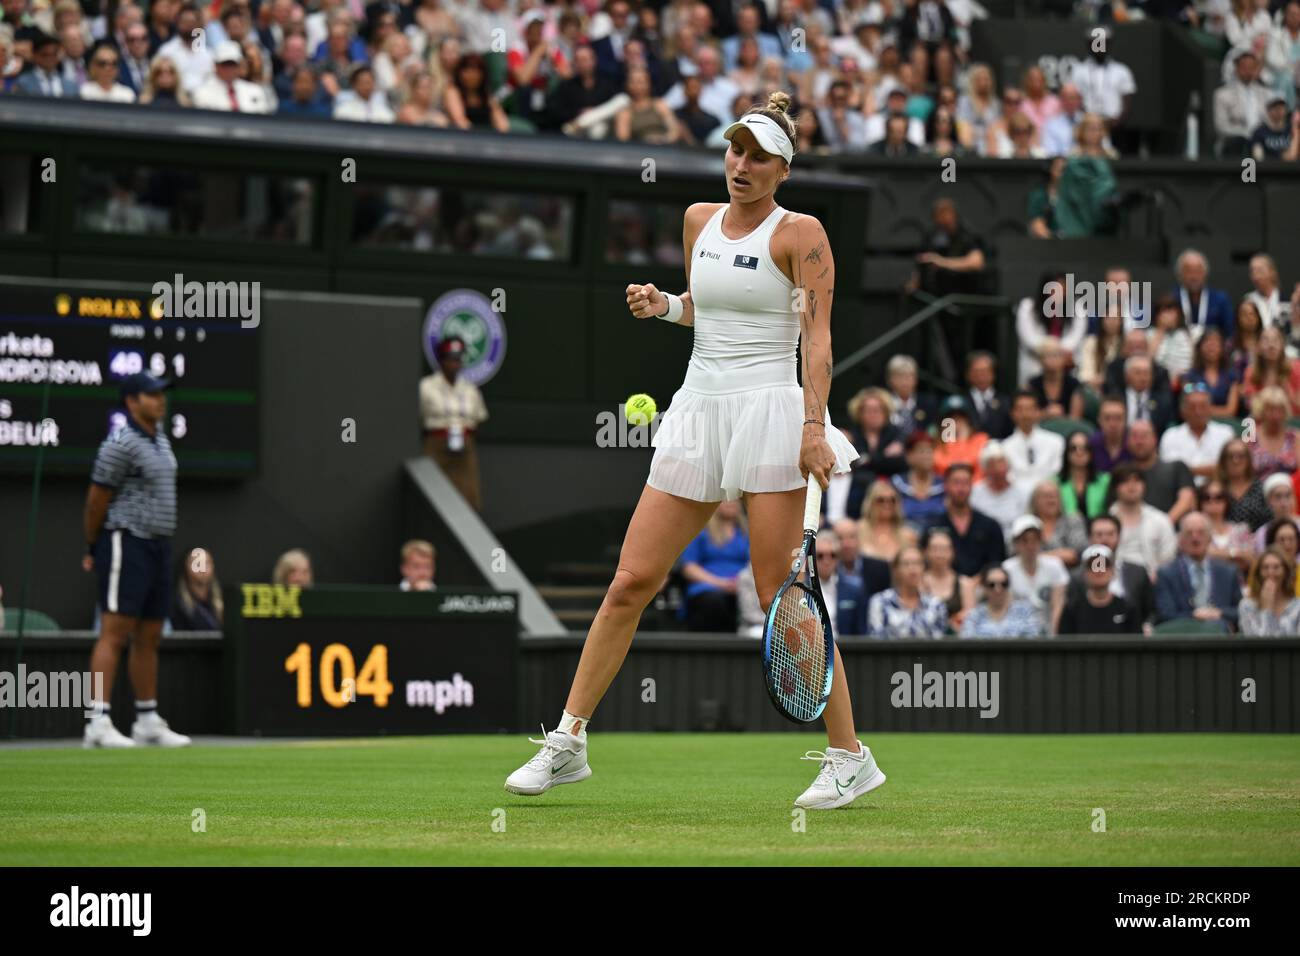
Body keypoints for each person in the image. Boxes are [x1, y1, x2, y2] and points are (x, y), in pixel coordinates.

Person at [505, 94, 880, 810]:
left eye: (758, 156)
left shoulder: (802, 234)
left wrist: (812, 426)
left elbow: (817, 338)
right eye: (735, 150)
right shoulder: (697, 220)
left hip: (771, 410)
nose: (741, 164)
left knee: (780, 598)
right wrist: (667, 306)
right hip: (697, 408)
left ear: (783, 169)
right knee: (629, 580)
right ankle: (569, 741)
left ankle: (849, 755)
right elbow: (710, 307)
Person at [81, 372, 191, 749]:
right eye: (152, 394)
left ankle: (146, 720)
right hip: (126, 541)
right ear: (131, 401)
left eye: (162, 394)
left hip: (159, 544)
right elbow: (97, 499)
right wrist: (94, 545)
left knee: (150, 634)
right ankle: (97, 721)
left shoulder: (160, 439)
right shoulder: (120, 443)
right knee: (115, 630)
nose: (161, 400)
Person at [419, 336, 489, 511]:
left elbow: (479, 418)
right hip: (436, 444)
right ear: (441, 360)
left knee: (468, 500)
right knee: (433, 498)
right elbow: (418, 417)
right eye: (450, 359)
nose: (455, 364)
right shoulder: (426, 386)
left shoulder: (470, 389)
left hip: (464, 446)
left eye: (458, 359)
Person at [1065, 514, 1156, 631]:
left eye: (1110, 534)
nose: (1105, 539)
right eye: (1099, 534)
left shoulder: (1137, 572)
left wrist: (1147, 626)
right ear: (1089, 538)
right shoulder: (1076, 577)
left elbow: (1150, 611)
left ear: (1119, 537)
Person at [1154, 512, 1243, 630]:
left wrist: (1219, 613)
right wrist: (1195, 616)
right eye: (1189, 533)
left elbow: (1241, 611)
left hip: (1221, 641)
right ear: (1180, 540)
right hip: (1182, 639)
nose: (1195, 538)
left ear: (1210, 538)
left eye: (1201, 532)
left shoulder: (1228, 572)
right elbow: (1165, 614)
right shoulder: (1167, 574)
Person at [678, 500, 749, 631]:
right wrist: (720, 583)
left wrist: (742, 584)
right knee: (713, 602)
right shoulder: (700, 531)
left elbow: (754, 566)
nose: (730, 503)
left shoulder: (748, 533)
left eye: (733, 499)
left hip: (742, 588)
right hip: (707, 587)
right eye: (725, 499)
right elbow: (689, 568)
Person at [844, 387, 906, 519]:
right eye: (869, 410)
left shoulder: (896, 433)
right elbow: (853, 466)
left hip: (893, 489)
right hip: (859, 492)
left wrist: (868, 460)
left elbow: (900, 464)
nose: (874, 414)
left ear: (886, 412)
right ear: (859, 413)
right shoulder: (852, 435)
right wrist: (884, 458)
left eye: (878, 410)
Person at [1109, 462, 1179, 579]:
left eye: (1137, 481)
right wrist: (1102, 579)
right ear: (1115, 487)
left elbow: (1169, 557)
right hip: (1113, 584)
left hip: (1153, 583)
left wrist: (1157, 577)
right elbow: (1097, 554)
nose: (1132, 486)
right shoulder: (1102, 522)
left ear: (1144, 486)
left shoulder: (1161, 520)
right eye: (1125, 481)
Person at [1002, 515, 1068, 634]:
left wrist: (1053, 638)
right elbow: (1007, 608)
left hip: (1048, 632)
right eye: (1025, 540)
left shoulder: (1055, 566)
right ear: (1016, 543)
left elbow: (1058, 605)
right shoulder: (1007, 569)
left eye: (1035, 540)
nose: (1030, 545)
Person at [1159, 383, 1235, 484]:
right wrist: (1212, 469)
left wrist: (1187, 470)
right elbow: (1170, 471)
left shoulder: (1226, 433)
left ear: (1210, 408)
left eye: (1203, 406)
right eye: (1192, 407)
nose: (1198, 412)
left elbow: (1230, 468)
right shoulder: (1170, 435)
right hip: (1180, 491)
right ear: (1183, 410)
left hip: (1217, 493)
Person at [867, 545, 948, 638]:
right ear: (896, 569)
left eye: (917, 563)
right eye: (906, 564)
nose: (912, 569)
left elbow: (940, 644)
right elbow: (876, 641)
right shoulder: (880, 602)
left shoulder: (936, 604)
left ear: (923, 568)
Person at [1058, 545, 1141, 635]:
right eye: (1092, 565)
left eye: (1104, 565)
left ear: (1113, 571)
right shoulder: (1072, 610)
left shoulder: (1127, 608)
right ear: (1084, 572)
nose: (1099, 570)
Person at [1128, 419, 1196, 525]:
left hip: (1171, 533)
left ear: (1155, 439)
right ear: (1127, 441)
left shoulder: (1176, 467)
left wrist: (1163, 527)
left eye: (1144, 436)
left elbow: (1187, 500)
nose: (1139, 441)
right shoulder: (1122, 473)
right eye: (1135, 436)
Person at [1001, 390, 1065, 488]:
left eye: (1029, 409)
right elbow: (1009, 477)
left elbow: (1056, 472)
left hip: (1047, 494)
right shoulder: (1004, 447)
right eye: (1020, 409)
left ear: (1038, 412)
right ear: (1012, 413)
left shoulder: (1056, 442)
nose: (1025, 414)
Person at [959, 564, 1044, 638]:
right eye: (992, 585)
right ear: (984, 587)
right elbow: (967, 643)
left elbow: (1034, 641)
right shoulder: (975, 615)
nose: (998, 589)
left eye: (1004, 584)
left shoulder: (1025, 612)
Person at [970, 440, 1029, 542]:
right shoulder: (975, 492)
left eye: (1001, 462)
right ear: (985, 468)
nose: (997, 468)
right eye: (992, 464)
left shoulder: (1022, 492)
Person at [813, 531, 868, 637]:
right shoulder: (800, 590)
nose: (826, 561)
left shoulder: (855, 590)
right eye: (820, 556)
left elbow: (862, 633)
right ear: (812, 558)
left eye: (832, 555)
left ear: (838, 558)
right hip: (812, 650)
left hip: (846, 650)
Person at [1172, 248, 1235, 341]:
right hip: (1180, 351)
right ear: (1180, 274)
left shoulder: (1220, 300)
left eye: (1198, 271)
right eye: (1189, 271)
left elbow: (1229, 332)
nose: (1194, 276)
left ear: (1205, 273)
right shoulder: (1172, 299)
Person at [193, 40, 273, 112]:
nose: (229, 69)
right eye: (225, 64)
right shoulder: (202, 93)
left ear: (239, 65)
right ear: (216, 66)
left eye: (233, 64)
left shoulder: (255, 91)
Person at [920, 527, 973, 632]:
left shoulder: (965, 583)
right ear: (925, 552)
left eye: (945, 549)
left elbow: (970, 616)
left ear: (953, 551)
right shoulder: (918, 582)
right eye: (934, 549)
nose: (940, 554)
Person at [1180, 327, 1241, 417]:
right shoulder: (1189, 377)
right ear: (1200, 347)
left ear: (1222, 348)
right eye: (1207, 341)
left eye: (1216, 342)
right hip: (1196, 422)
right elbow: (1187, 406)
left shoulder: (1231, 376)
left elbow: (1230, 410)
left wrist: (1203, 410)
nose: (1211, 346)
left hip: (1225, 424)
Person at [1200, 479, 1257, 576]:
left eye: (1218, 497)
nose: (1212, 501)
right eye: (1207, 497)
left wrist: (1216, 555)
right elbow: (1200, 555)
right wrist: (1235, 554)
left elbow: (1250, 560)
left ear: (1226, 500)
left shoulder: (1241, 529)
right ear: (1200, 502)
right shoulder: (1196, 530)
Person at [1237, 548, 1300, 635]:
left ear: (1286, 572)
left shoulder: (1297, 606)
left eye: (1276, 567)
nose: (1270, 572)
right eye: (1265, 568)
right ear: (1259, 573)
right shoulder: (1247, 606)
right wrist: (1267, 609)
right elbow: (1256, 644)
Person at [893, 430, 947, 528]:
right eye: (922, 451)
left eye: (930, 451)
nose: (927, 456)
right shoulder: (897, 484)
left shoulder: (944, 485)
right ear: (909, 456)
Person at [1030, 479, 1087, 568]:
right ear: (1035, 501)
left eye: (1055, 495)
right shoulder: (1028, 524)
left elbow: (1075, 554)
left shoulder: (1073, 520)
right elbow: (1016, 554)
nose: (1051, 499)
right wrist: (1060, 554)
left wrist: (1037, 557)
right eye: (1046, 496)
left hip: (1070, 573)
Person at [1243, 326, 1300, 414]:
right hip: (1261, 424)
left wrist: (1289, 394)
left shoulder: (1296, 368)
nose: (1271, 345)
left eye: (1275, 340)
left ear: (1282, 345)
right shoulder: (1251, 372)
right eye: (1266, 340)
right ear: (1258, 347)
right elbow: (1253, 408)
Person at [1248, 386, 1300, 478]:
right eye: (1271, 410)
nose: (1276, 415)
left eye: (1280, 410)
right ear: (1261, 411)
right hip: (1258, 489)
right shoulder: (1251, 437)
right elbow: (1245, 473)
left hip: (1289, 489)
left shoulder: (1295, 437)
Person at [932, 394, 987, 480]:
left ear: (968, 420)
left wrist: (962, 440)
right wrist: (951, 439)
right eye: (951, 418)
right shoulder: (935, 444)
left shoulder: (981, 439)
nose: (956, 422)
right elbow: (945, 466)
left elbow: (971, 466)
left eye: (960, 417)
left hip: (975, 490)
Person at [1059, 429, 1111, 519]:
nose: (1079, 452)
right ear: (1066, 453)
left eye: (1085, 448)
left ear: (1091, 452)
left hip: (1099, 530)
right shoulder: (1054, 483)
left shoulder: (1106, 480)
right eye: (1073, 448)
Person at [168, 547, 223, 631]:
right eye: (197, 564)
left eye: (206, 563)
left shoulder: (221, 603)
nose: (202, 568)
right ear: (185, 566)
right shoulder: (176, 605)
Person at [1027, 339, 1084, 420]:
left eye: (1056, 355)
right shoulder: (1033, 384)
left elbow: (1075, 418)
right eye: (1047, 355)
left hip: (1066, 427)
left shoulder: (1074, 384)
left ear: (1064, 359)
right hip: (1040, 427)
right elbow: (1027, 415)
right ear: (1040, 360)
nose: (1052, 359)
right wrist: (1045, 413)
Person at [964, 350, 1013, 439]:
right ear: (968, 374)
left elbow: (1012, 435)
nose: (980, 376)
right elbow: (946, 437)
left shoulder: (1006, 402)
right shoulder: (959, 401)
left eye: (984, 371)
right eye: (976, 371)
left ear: (993, 374)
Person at [1149, 295, 1195, 383]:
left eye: (1171, 311)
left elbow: (1197, 360)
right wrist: (1161, 331)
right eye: (1164, 312)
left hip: (1186, 381)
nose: (1168, 316)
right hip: (1158, 381)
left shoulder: (1192, 333)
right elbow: (1148, 361)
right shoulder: (1149, 334)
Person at [1255, 472, 1299, 551]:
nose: (1284, 503)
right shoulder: (1262, 533)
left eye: (1288, 495)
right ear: (1268, 501)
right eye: (1278, 497)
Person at [1089, 394, 1132, 473]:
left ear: (1126, 420)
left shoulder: (1135, 445)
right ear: (1099, 420)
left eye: (1118, 418)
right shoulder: (1090, 445)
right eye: (1107, 418)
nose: (1113, 424)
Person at [1263, 517, 1300, 596]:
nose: (1287, 545)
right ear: (1272, 542)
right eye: (1282, 540)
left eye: (1291, 539)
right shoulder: (1263, 571)